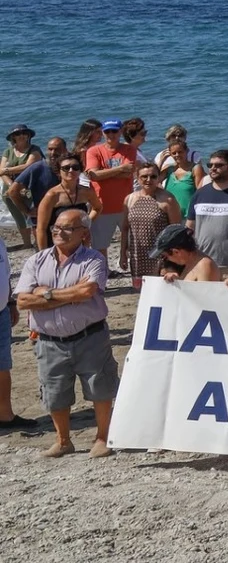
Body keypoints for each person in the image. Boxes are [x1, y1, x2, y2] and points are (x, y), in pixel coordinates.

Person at [14, 209, 115, 457]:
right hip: (49, 340)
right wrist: (66, 295)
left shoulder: (94, 259)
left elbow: (87, 292)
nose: (59, 232)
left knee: (100, 387)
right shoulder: (36, 260)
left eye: (68, 228)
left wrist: (45, 293)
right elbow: (23, 301)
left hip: (89, 336)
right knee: (54, 391)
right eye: (56, 227)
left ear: (84, 233)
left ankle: (102, 437)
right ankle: (63, 440)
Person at [81, 119, 138, 272]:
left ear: (120, 132)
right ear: (103, 133)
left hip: (126, 206)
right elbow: (93, 175)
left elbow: (128, 172)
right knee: (100, 246)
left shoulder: (129, 149)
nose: (111, 134)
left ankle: (137, 273)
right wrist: (120, 169)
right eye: (107, 131)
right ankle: (103, 275)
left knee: (134, 243)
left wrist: (103, 174)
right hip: (101, 206)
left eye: (114, 131)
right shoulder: (93, 151)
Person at [123, 162, 182, 287]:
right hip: (138, 256)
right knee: (142, 293)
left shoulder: (167, 200)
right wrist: (123, 253)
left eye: (153, 176)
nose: (148, 180)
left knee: (163, 291)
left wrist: (172, 261)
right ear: (137, 178)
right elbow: (125, 228)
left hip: (161, 256)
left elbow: (176, 232)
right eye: (144, 176)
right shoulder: (130, 199)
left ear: (159, 177)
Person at [1, 123, 43, 238]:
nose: (22, 135)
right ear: (13, 136)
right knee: (18, 216)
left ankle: (39, 241)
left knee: (33, 215)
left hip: (29, 188)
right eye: (18, 133)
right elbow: (1, 172)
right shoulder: (8, 152)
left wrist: (7, 169)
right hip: (9, 190)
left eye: (25, 133)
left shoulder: (35, 149)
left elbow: (28, 166)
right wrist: (11, 186)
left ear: (29, 135)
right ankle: (26, 243)